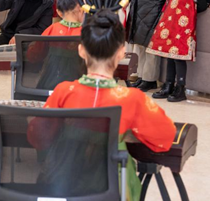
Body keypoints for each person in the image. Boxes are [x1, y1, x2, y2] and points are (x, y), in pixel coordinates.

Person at [36, 10, 176, 201]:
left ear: (81, 50)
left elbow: (38, 137)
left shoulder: (63, 91)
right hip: (110, 190)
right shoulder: (132, 99)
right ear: (121, 53)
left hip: (61, 186)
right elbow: (165, 138)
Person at [148, 0, 208, 102]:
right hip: (171, 25)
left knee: (179, 58)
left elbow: (201, 5)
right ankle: (168, 85)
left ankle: (180, 88)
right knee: (170, 56)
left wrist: (187, 13)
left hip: (184, 27)